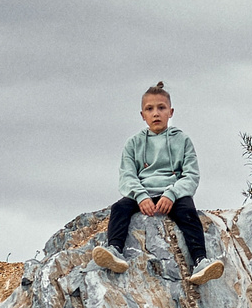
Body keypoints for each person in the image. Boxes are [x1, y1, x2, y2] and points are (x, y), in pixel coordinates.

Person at [92, 82, 224, 283]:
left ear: (171, 112)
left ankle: (200, 261)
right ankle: (115, 251)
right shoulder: (133, 143)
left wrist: (172, 194)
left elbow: (191, 175)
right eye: (149, 109)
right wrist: (140, 196)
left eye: (161, 108)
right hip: (143, 192)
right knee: (119, 208)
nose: (156, 113)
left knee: (188, 212)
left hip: (173, 193)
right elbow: (127, 175)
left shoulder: (182, 141)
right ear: (142, 115)